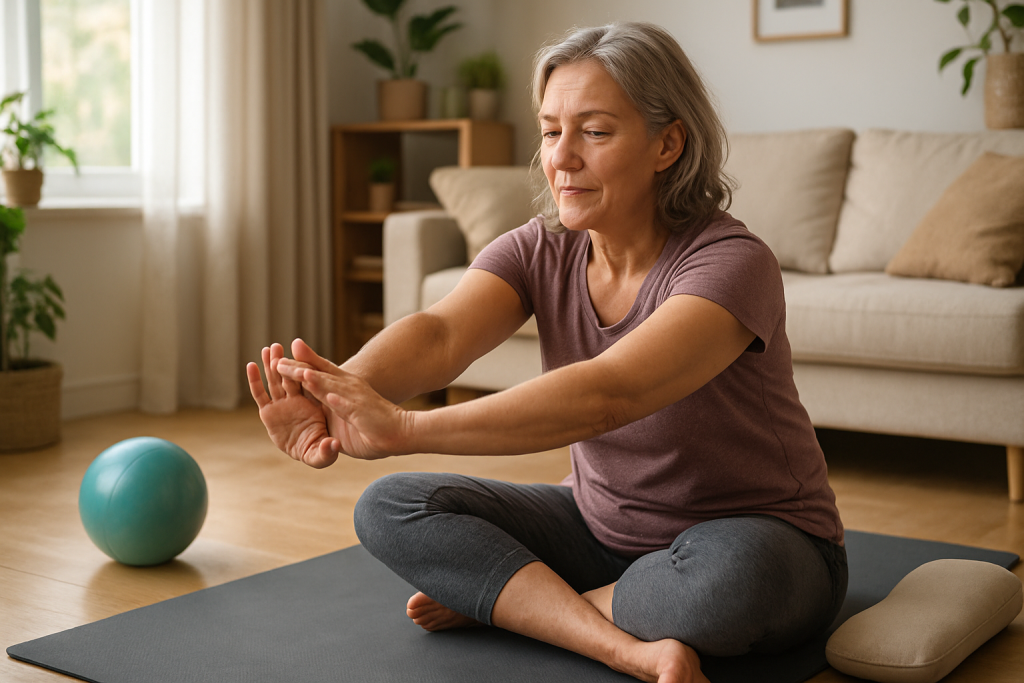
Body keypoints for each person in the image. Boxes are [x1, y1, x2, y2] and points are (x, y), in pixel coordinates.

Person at [247, 22, 847, 683]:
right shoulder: (540, 248)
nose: (561, 157)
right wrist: (334, 391)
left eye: (594, 131)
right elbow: (442, 333)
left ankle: (529, 605)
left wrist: (408, 428)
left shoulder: (731, 263)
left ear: (667, 143)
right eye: (550, 129)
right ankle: (617, 637)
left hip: (756, 540)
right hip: (597, 531)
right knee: (390, 507)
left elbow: (607, 395)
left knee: (732, 585)